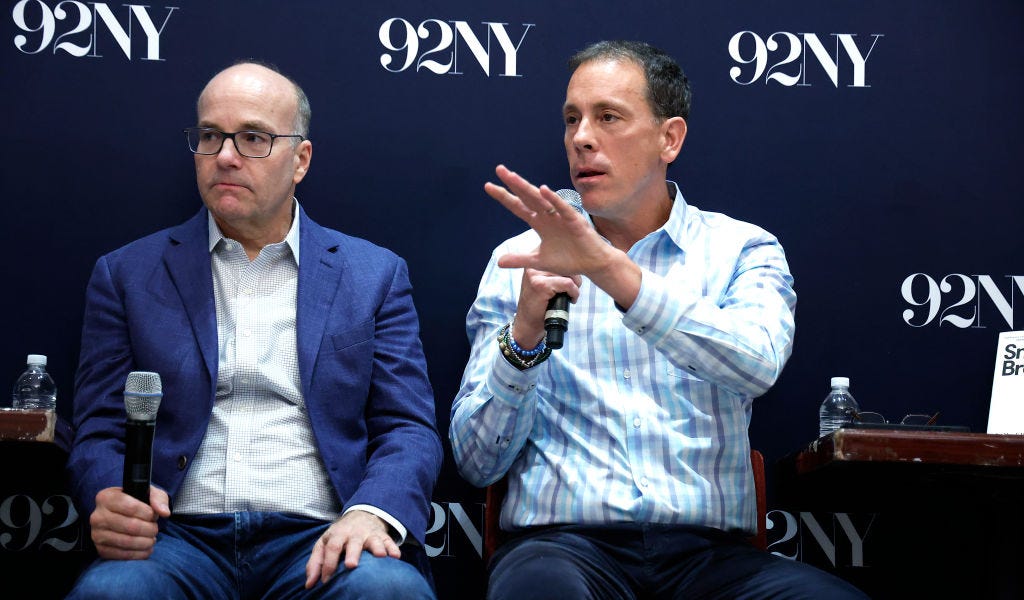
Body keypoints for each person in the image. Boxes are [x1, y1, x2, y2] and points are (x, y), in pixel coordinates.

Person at [450, 40, 868, 599]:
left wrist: (611, 271)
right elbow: (476, 463)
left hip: (712, 558)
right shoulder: (521, 261)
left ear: (670, 138)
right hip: (564, 549)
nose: (581, 137)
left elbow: (757, 364)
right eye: (572, 119)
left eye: (608, 117)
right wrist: (523, 338)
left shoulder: (742, 249)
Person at [65, 61, 442, 599]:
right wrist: (108, 494)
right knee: (113, 593)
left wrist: (372, 512)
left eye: (252, 138)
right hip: (175, 539)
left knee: (389, 591)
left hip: (320, 536)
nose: (224, 155)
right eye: (210, 136)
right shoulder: (126, 275)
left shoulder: (373, 275)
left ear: (300, 160)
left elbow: (407, 428)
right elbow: (99, 429)